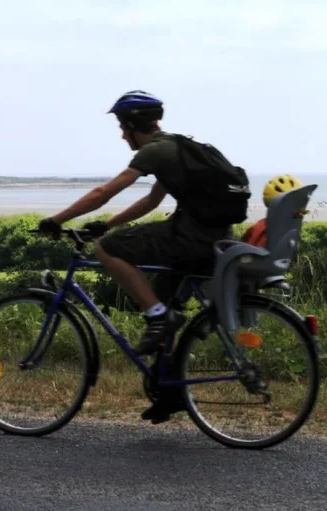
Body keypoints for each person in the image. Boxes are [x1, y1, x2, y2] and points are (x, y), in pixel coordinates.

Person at [37, 90, 251, 422]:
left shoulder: (156, 152)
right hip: (215, 238)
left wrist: (57, 221)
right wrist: (105, 224)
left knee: (108, 249)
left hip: (192, 238)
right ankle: (169, 390)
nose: (122, 135)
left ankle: (157, 316)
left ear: (135, 124)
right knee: (164, 297)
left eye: (123, 127)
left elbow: (104, 191)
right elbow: (151, 202)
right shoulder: (178, 147)